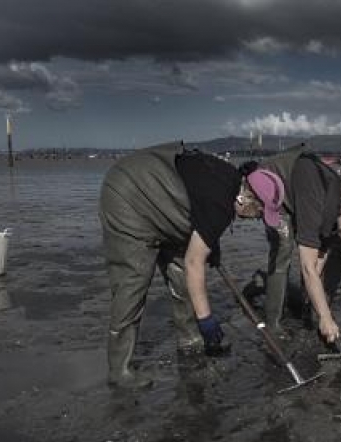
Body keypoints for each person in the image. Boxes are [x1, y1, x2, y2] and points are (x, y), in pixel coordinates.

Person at [99, 141, 266, 389]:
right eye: (259, 212)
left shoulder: (230, 184)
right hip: (129, 196)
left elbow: (201, 214)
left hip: (166, 206)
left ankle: (190, 339)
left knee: (182, 280)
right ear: (246, 197)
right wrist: (208, 321)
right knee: (132, 283)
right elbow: (194, 262)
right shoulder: (222, 201)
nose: (257, 219)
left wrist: (212, 247)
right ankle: (119, 369)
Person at [245, 144, 341, 343]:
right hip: (271, 187)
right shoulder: (315, 207)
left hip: (300, 189)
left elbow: (320, 257)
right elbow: (308, 267)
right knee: (283, 248)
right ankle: (273, 321)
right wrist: (326, 318)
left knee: (314, 263)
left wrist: (318, 308)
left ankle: (306, 308)